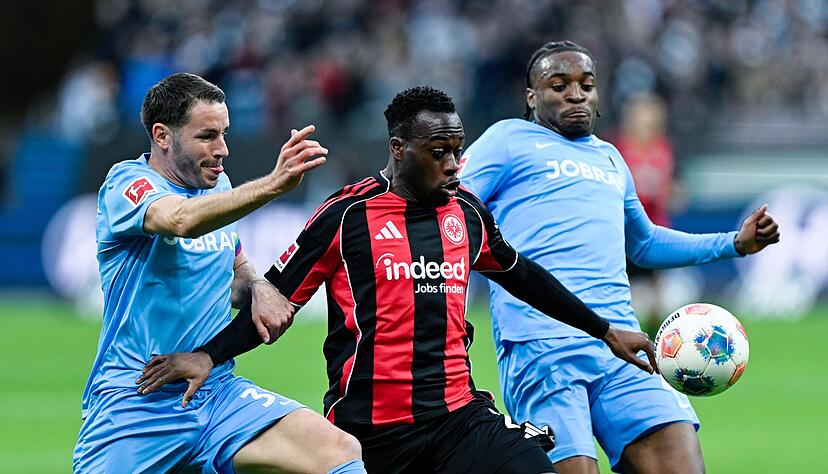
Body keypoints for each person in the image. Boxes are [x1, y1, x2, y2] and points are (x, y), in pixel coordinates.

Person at [134, 86, 659, 474]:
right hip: (370, 430)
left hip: (458, 417)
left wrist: (604, 330)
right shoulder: (347, 215)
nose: (455, 165)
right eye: (440, 152)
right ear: (399, 148)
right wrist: (209, 354)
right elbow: (274, 304)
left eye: (459, 150)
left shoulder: (468, 214)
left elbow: (523, 276)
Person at [457, 41, 781, 474]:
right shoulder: (507, 140)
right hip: (541, 349)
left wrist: (733, 244)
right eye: (559, 85)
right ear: (532, 97)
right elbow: (449, 212)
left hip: (624, 346)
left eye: (586, 85)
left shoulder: (610, 157)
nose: (576, 94)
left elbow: (643, 243)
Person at [73, 73, 366, 474]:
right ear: (162, 136)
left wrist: (259, 285)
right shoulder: (127, 184)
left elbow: (234, 264)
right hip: (137, 400)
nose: (222, 149)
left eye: (224, 133)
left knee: (338, 450)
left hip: (215, 393)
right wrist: (273, 185)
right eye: (207, 136)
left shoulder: (217, 186)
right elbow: (179, 220)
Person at [612, 92, 677, 336]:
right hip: (620, 232)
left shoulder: (664, 149)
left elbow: (674, 188)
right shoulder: (615, 148)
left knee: (656, 299)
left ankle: (657, 346)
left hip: (652, 230)